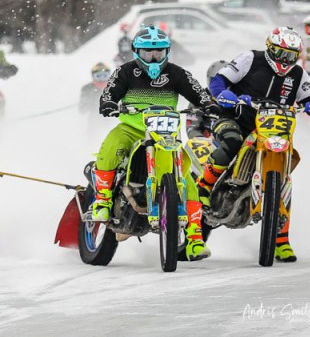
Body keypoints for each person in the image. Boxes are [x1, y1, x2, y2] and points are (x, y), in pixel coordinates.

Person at [197, 26, 310, 262]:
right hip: (237, 119)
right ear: (270, 49)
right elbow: (221, 79)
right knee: (231, 143)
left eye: (291, 56)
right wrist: (223, 94)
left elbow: (309, 98)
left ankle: (281, 241)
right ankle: (204, 187)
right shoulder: (250, 58)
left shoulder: (298, 74)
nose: (285, 61)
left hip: (275, 128)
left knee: (285, 179)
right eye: (281, 54)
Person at [94, 26, 219, 261]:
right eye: (148, 53)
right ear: (136, 52)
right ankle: (102, 200)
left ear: (167, 52)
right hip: (131, 129)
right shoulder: (125, 72)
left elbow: (198, 93)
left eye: (159, 53)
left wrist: (209, 104)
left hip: (166, 135)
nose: (153, 59)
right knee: (111, 146)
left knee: (186, 177)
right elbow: (110, 93)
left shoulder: (177, 73)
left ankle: (194, 238)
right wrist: (109, 104)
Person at [185, 59, 228, 139]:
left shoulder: (237, 100)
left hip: (231, 143)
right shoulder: (198, 100)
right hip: (206, 145)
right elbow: (192, 129)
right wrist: (201, 140)